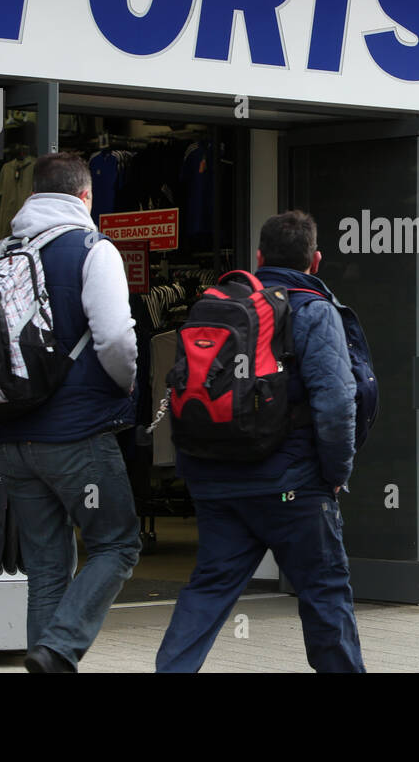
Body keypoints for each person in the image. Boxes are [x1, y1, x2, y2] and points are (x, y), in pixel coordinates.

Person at [156, 210, 365, 672]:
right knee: (324, 591)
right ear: (316, 260)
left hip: (216, 481)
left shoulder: (220, 305)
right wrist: (335, 475)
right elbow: (336, 403)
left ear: (258, 256)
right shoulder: (313, 309)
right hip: (293, 485)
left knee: (208, 590)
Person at [0, 152, 141, 673]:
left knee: (47, 568)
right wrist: (126, 387)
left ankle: (48, 660)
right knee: (117, 544)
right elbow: (117, 337)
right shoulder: (92, 249)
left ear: (33, 194)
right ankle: (60, 648)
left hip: (8, 437)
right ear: (85, 196)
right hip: (76, 436)